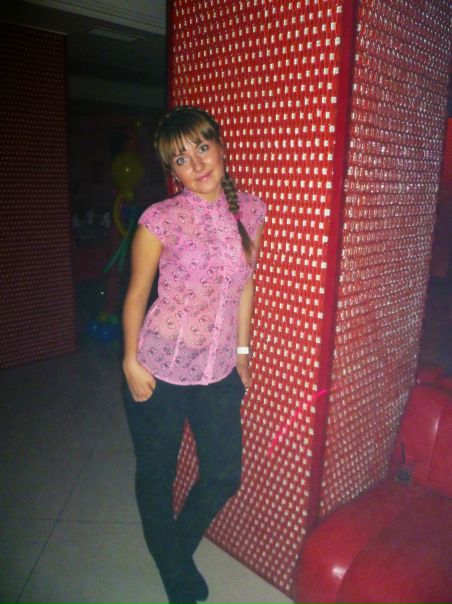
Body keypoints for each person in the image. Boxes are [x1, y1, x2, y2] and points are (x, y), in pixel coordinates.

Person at [121, 106, 266, 604]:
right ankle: (175, 568)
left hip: (219, 369)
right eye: (182, 159)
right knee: (156, 474)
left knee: (224, 474)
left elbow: (245, 286)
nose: (198, 164)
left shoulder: (251, 210)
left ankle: (173, 552)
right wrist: (130, 361)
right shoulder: (159, 219)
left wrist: (242, 351)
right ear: (173, 171)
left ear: (220, 146)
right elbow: (136, 295)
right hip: (158, 366)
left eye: (203, 148)